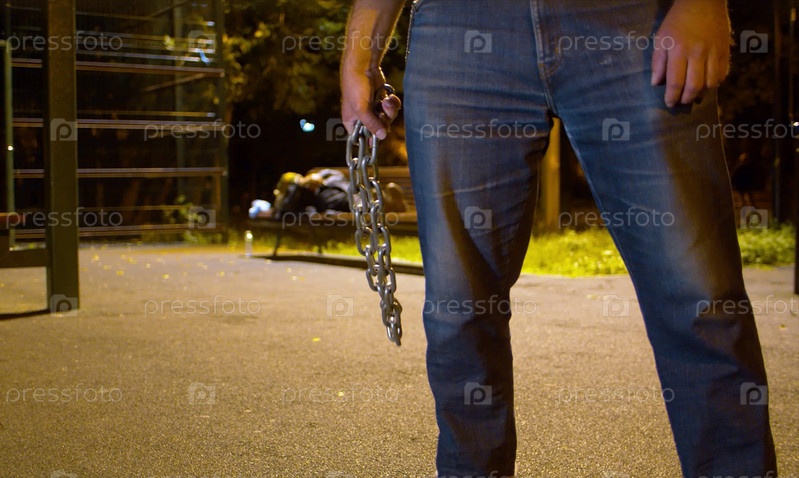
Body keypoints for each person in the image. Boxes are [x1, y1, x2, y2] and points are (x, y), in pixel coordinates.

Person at [340, 1, 778, 477]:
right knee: (458, 310)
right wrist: (360, 54)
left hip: (629, 18)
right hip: (460, 25)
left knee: (698, 297)